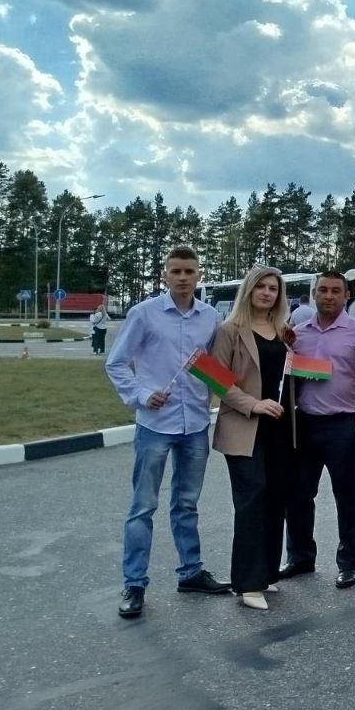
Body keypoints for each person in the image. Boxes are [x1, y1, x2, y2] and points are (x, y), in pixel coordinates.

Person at [105, 245, 229, 619]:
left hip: (194, 424)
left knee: (186, 504)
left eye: (189, 271)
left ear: (199, 275)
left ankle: (190, 572)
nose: (182, 277)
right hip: (155, 426)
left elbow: (213, 368)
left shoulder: (210, 317)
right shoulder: (144, 314)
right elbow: (116, 364)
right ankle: (134, 583)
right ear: (164, 275)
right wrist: (141, 395)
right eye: (175, 271)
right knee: (143, 507)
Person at [212, 265, 297, 611]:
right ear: (248, 290)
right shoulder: (229, 330)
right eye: (260, 286)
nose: (266, 293)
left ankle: (264, 573)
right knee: (251, 499)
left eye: (273, 289)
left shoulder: (283, 331)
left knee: (276, 497)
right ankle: (246, 583)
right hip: (243, 426)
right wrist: (253, 404)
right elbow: (216, 379)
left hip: (279, 427)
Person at [280, 272, 355, 588]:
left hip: (342, 425)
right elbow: (289, 376)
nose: (328, 296)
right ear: (314, 294)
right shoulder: (297, 333)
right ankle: (300, 557)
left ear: (346, 295)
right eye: (322, 290)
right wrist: (286, 348)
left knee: (347, 497)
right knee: (299, 495)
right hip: (305, 424)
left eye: (335, 291)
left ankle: (348, 563)